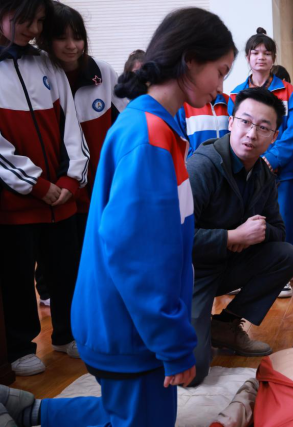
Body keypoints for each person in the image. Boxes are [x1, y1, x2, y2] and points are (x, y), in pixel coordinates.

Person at [0, 8, 236, 427]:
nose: (222, 83)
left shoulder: (155, 125)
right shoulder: (149, 136)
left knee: (125, 414)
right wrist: (172, 346)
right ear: (190, 60)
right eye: (220, 71)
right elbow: (139, 259)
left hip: (128, 322)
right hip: (129, 328)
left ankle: (33, 410)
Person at [187, 87, 293, 386]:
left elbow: (279, 231)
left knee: (286, 256)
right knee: (192, 372)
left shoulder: (263, 174)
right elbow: (173, 239)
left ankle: (224, 326)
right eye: (246, 122)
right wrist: (231, 236)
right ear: (231, 122)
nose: (252, 134)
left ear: (274, 136)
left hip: (228, 264)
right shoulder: (202, 166)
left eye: (263, 127)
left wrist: (251, 235)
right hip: (190, 273)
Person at [0, 0, 88, 376]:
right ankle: (21, 345)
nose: (33, 29)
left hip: (62, 198)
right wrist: (36, 185)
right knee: (18, 278)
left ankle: (68, 334)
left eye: (38, 21)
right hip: (17, 203)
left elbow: (73, 128)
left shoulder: (47, 65)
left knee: (67, 269)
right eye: (25, 20)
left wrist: (69, 181)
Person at [37, 1, 128, 246]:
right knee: (60, 271)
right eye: (61, 37)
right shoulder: (39, 77)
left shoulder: (103, 72)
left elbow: (127, 126)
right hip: (59, 193)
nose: (71, 46)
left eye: (77, 37)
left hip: (101, 192)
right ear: (46, 40)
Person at [228, 29, 293, 297]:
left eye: (267, 53)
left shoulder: (289, 92)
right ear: (247, 58)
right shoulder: (236, 95)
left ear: (273, 59)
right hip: (246, 171)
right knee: (247, 220)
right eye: (255, 53)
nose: (261, 57)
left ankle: (281, 274)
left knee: (282, 222)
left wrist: (269, 160)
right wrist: (250, 161)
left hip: (282, 171)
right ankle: (246, 274)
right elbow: (234, 133)